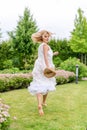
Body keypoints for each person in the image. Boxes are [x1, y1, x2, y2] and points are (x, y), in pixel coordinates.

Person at [28, 30, 58, 116]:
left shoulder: (41, 46)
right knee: (46, 84)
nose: (47, 37)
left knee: (39, 85)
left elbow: (46, 55)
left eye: (48, 36)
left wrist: (54, 53)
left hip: (39, 67)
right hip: (45, 67)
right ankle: (42, 103)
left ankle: (41, 104)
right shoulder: (45, 46)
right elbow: (45, 57)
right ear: (42, 37)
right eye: (45, 36)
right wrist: (48, 67)